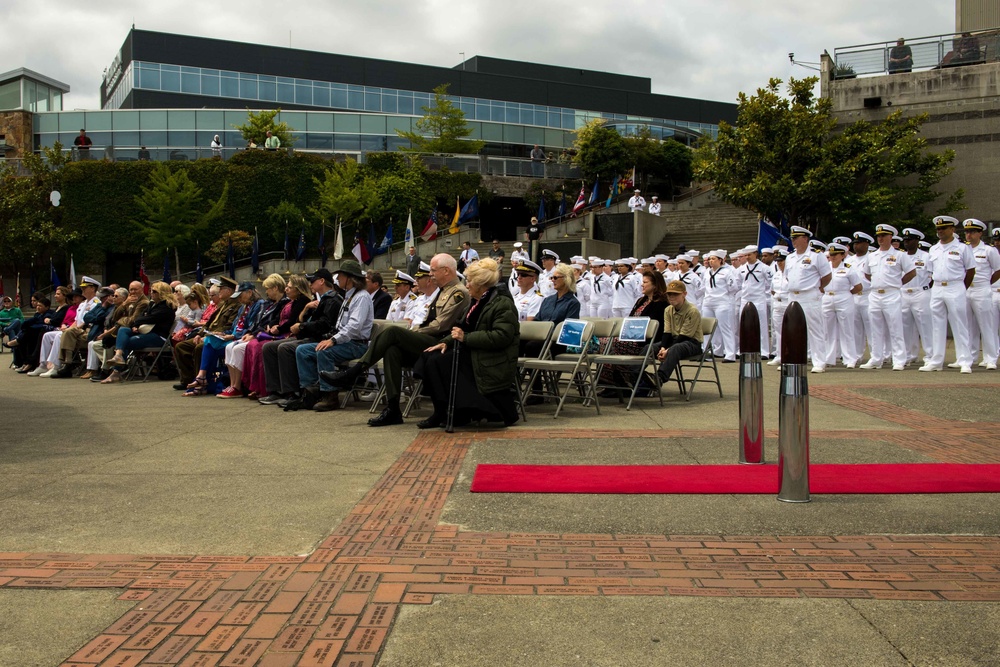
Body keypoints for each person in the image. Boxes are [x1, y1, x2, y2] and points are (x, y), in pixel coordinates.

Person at [319, 253, 470, 426]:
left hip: (443, 342)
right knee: (392, 351)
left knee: (393, 332)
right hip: (429, 339)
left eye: (434, 271)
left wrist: (413, 332)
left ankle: (353, 373)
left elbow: (440, 325)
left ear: (446, 271)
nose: (431, 274)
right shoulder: (443, 292)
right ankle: (393, 410)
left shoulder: (459, 292)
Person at [417, 258, 520, 428]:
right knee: (431, 356)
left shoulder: (502, 303)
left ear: (481, 283)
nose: (467, 285)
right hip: (476, 352)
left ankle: (456, 412)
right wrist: (445, 342)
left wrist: (466, 338)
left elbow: (502, 336)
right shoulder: (475, 301)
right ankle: (444, 410)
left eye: (470, 281)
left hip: (493, 358)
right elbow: (461, 327)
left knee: (440, 361)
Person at [292, 260, 374, 412]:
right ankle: (310, 392)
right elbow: (341, 325)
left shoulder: (361, 297)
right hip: (346, 342)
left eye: (341, 276)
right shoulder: (349, 295)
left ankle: (330, 395)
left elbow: (354, 327)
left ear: (350, 278)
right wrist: (331, 338)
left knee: (324, 351)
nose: (338, 279)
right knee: (302, 351)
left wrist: (333, 340)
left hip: (356, 344)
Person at [258, 269, 343, 406]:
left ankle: (294, 392)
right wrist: (305, 312)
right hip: (310, 336)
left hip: (320, 338)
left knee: (286, 348)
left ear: (322, 281)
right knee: (269, 347)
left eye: (312, 281)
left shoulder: (332, 300)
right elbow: (305, 320)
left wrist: (302, 326)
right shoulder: (319, 300)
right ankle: (276, 391)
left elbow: (325, 325)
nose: (310, 284)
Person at [217, 276, 288, 398]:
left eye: (268, 288)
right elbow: (258, 323)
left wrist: (251, 334)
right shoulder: (268, 303)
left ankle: (241, 386)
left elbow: (271, 322)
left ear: (275, 288)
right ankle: (233, 384)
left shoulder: (269, 303)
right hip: (259, 333)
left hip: (271, 335)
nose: (266, 292)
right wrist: (250, 333)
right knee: (229, 347)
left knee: (239, 348)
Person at [921, 216, 976, 372]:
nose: (940, 231)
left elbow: (971, 270)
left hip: (955, 285)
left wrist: (962, 288)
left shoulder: (962, 248)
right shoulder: (934, 249)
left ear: (952, 229)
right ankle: (936, 361)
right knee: (937, 325)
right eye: (938, 229)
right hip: (937, 287)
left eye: (943, 228)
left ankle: (965, 360)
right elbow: (930, 271)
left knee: (960, 324)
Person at [599, 270, 669, 391]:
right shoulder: (641, 301)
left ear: (655, 285)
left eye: (645, 282)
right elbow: (630, 320)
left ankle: (621, 380)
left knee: (608, 343)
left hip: (644, 342)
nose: (642, 285)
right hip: (630, 337)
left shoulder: (662, 304)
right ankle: (615, 380)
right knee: (604, 342)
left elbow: (657, 329)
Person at [245, 274, 310, 401]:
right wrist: (272, 326)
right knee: (266, 347)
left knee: (278, 347)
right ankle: (273, 389)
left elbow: (293, 322)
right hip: (285, 332)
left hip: (293, 334)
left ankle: (289, 391)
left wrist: (278, 329)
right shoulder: (293, 301)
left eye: (289, 287)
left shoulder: (303, 301)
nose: (286, 289)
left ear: (298, 289)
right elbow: (278, 318)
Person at [861, 224, 916, 370]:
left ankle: (899, 359)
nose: (880, 238)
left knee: (895, 327)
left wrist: (898, 283)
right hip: (875, 294)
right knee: (875, 328)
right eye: (878, 236)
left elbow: (911, 272)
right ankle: (876, 358)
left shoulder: (899, 255)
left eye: (883, 236)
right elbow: (867, 274)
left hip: (892, 294)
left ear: (890, 237)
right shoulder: (872, 256)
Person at [101, 281, 177, 383]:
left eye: (154, 291)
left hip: (159, 336)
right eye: (151, 291)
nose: (151, 293)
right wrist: (135, 325)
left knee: (125, 342)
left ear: (162, 292)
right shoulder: (152, 304)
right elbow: (140, 317)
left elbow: (148, 318)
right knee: (123, 329)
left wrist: (137, 322)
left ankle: (116, 371)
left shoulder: (166, 307)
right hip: (145, 332)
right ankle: (118, 356)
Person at [172, 276, 239, 389]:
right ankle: (187, 379)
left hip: (220, 338)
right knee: (181, 346)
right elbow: (209, 323)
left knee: (200, 348)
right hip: (209, 335)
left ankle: (202, 382)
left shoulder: (236, 306)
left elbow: (228, 326)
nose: (219, 291)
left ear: (229, 291)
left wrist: (207, 336)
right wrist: (200, 334)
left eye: (221, 289)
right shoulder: (223, 305)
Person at [784, 225, 832, 373]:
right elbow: (787, 276)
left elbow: (827, 276)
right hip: (793, 295)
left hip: (810, 295)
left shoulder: (816, 256)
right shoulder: (790, 257)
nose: (793, 241)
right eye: (792, 238)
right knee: (792, 330)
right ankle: (795, 358)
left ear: (805, 239)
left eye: (796, 238)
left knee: (815, 329)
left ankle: (819, 361)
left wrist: (818, 287)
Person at [961, 219, 1000, 370]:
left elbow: (998, 270)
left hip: (982, 289)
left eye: (972, 232)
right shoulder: (964, 249)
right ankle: (970, 356)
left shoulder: (988, 251)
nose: (968, 234)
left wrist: (987, 283)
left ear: (980, 233)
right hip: (966, 289)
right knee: (969, 326)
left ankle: (990, 358)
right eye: (967, 231)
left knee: (987, 324)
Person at [655, 280, 703, 385]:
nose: (672, 297)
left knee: (675, 349)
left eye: (676, 294)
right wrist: (663, 347)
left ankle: (659, 378)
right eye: (669, 294)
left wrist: (667, 350)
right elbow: (667, 332)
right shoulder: (668, 309)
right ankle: (634, 375)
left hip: (692, 342)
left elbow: (685, 336)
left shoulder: (692, 310)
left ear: (684, 294)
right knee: (651, 347)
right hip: (674, 340)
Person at [821, 242, 862, 369]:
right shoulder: (825, 267)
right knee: (828, 330)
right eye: (831, 254)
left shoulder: (848, 268)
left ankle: (850, 359)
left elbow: (858, 286)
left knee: (847, 329)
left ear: (843, 255)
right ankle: (829, 358)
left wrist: (847, 294)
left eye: (836, 254)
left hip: (843, 297)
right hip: (827, 297)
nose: (833, 257)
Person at [900, 228, 933, 367]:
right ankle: (907, 356)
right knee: (904, 327)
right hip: (904, 292)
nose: (907, 243)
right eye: (905, 240)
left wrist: (925, 289)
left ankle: (930, 356)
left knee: (925, 326)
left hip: (920, 292)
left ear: (917, 241)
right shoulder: (901, 256)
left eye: (910, 240)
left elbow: (932, 277)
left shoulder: (926, 256)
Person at [701, 249, 740, 362]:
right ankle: (709, 351)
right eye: (710, 259)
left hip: (722, 302)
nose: (711, 261)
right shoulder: (707, 272)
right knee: (708, 328)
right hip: (708, 302)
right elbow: (704, 286)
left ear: (721, 260)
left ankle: (730, 354)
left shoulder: (727, 272)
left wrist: (725, 297)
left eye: (713, 259)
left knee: (725, 328)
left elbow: (733, 288)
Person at [737, 245, 772, 359]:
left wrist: (766, 294)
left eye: (749, 255)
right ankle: (744, 349)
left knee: (762, 325)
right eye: (746, 255)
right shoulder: (742, 268)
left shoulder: (764, 268)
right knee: (743, 324)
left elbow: (771, 282)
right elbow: (738, 284)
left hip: (759, 298)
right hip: (745, 298)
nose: (747, 257)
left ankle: (764, 351)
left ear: (755, 254)